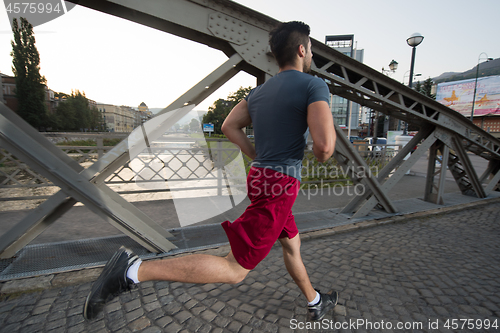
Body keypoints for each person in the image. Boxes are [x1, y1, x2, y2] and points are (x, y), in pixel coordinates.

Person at [83, 21, 337, 322]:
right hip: (280, 184)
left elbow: (229, 125)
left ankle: (315, 300)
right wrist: (319, 150)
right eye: (310, 51)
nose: (310, 56)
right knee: (235, 269)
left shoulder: (259, 93)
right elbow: (323, 148)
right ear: (301, 50)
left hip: (260, 177)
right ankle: (133, 270)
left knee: (291, 244)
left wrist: (258, 155)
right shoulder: (313, 85)